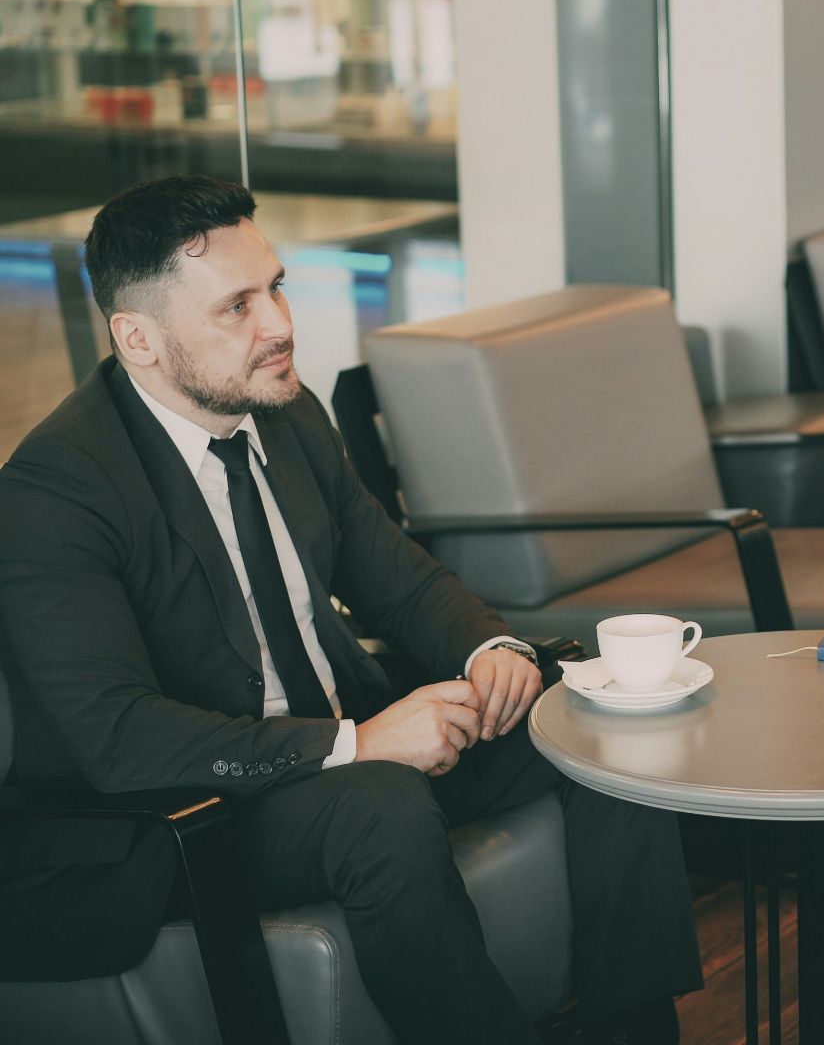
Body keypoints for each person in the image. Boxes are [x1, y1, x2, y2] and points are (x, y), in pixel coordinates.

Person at [0, 175, 700, 1044]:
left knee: (593, 723)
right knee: (380, 805)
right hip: (193, 811)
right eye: (237, 307)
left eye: (278, 287)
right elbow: (117, 737)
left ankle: (633, 1030)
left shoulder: (286, 415)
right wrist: (359, 744)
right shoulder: (58, 489)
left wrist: (490, 650)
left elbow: (396, 578)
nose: (281, 326)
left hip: (341, 743)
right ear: (137, 338)